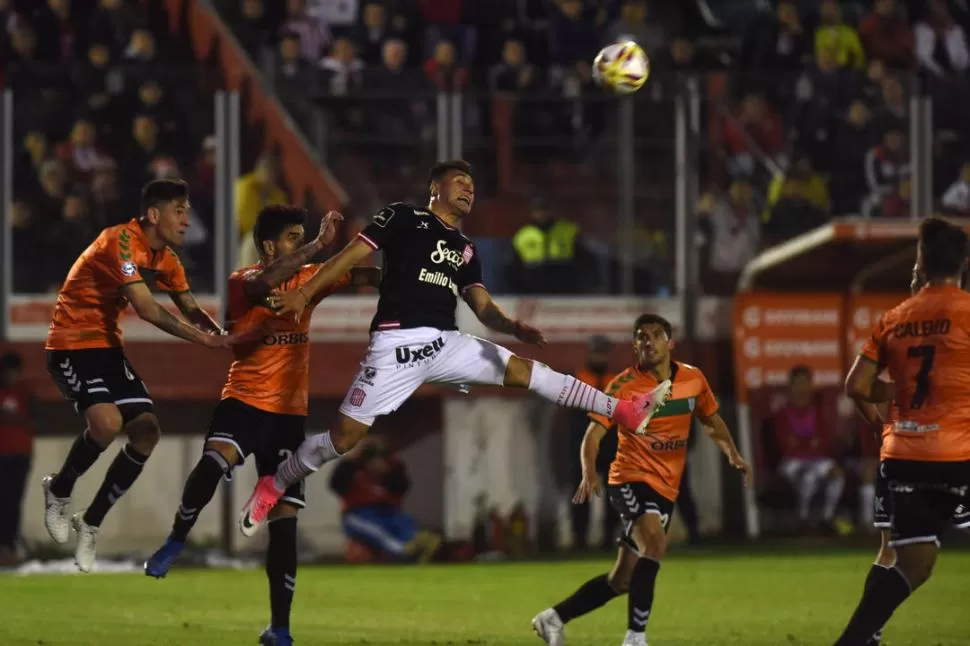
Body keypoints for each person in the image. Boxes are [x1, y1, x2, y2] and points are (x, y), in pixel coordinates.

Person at [237, 160, 672, 536]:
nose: (469, 190)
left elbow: (481, 307)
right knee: (344, 438)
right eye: (461, 183)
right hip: (395, 343)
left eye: (473, 187)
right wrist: (303, 293)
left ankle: (623, 411)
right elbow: (350, 256)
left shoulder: (465, 250)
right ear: (436, 189)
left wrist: (511, 325)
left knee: (526, 371)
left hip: (446, 343)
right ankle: (274, 486)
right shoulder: (403, 217)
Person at [143, 206, 377, 646]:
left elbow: (361, 278)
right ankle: (176, 540)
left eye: (303, 237)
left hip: (290, 415)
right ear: (270, 246)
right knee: (213, 464)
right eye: (293, 237)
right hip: (245, 401)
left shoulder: (309, 281)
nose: (302, 245)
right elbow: (259, 287)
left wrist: (403, 278)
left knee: (285, 524)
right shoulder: (242, 281)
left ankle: (280, 628)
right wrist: (317, 248)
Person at [41, 179, 235, 573]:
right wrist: (202, 339)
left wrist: (221, 334)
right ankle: (59, 489)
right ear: (153, 214)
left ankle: (90, 522)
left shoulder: (166, 259)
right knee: (108, 422)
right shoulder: (121, 242)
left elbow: (189, 306)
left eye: (187, 211)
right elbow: (147, 309)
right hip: (69, 344)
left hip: (107, 348)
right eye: (179, 211)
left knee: (147, 430)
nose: (186, 220)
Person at [531, 313, 751, 646]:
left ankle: (553, 618)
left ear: (670, 342)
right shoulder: (622, 386)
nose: (648, 340)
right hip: (629, 479)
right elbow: (593, 434)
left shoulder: (693, 379)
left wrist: (732, 452)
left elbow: (710, 420)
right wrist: (589, 472)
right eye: (641, 336)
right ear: (635, 344)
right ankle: (635, 638)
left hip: (666, 486)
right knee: (656, 544)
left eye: (656, 334)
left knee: (620, 581)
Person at [835, 216, 970, 645]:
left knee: (910, 558)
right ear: (963, 263)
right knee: (908, 558)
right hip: (956, 454)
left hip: (903, 454)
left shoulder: (894, 318)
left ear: (921, 262)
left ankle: (858, 638)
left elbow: (856, 386)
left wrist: (880, 426)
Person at [330, 436, 441, 563]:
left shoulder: (392, 465)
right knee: (377, 532)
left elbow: (402, 487)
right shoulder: (351, 467)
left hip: (390, 512)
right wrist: (350, 459)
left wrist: (387, 472)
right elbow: (336, 485)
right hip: (359, 513)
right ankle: (403, 552)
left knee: (407, 526)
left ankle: (418, 548)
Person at [0, 352, 34, 565]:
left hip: (20, 455)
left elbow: (36, 421)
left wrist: (14, 418)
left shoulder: (26, 394)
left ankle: (10, 545)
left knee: (14, 501)